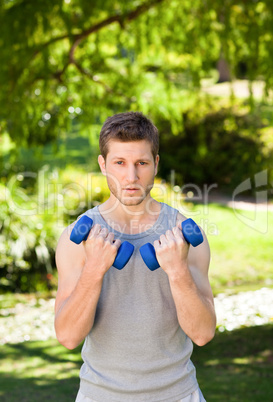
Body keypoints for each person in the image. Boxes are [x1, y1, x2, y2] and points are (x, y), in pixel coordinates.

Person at [54, 111, 216, 402]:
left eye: (141, 163)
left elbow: (203, 334)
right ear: (103, 165)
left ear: (155, 164)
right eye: (119, 163)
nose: (131, 176)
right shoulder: (75, 238)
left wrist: (177, 270)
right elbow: (67, 337)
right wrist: (94, 269)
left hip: (178, 395)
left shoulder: (186, 236)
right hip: (99, 396)